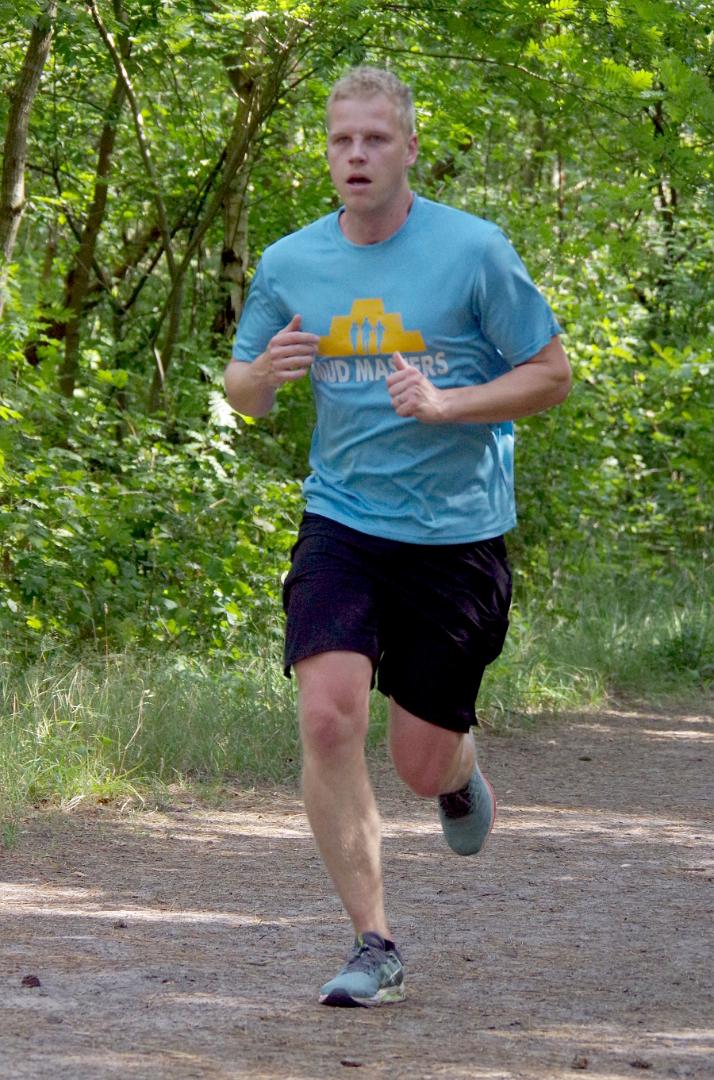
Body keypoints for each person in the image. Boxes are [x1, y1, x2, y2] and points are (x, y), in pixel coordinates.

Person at [224, 66, 572, 1008]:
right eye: (342, 140)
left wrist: (451, 403)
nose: (358, 155)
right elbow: (242, 391)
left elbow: (551, 374)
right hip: (343, 520)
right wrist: (266, 374)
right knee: (328, 713)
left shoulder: (473, 251)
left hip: (457, 536)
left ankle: (458, 777)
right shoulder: (292, 262)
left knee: (421, 762)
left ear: (409, 148)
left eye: (376, 139)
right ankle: (372, 941)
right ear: (326, 153)